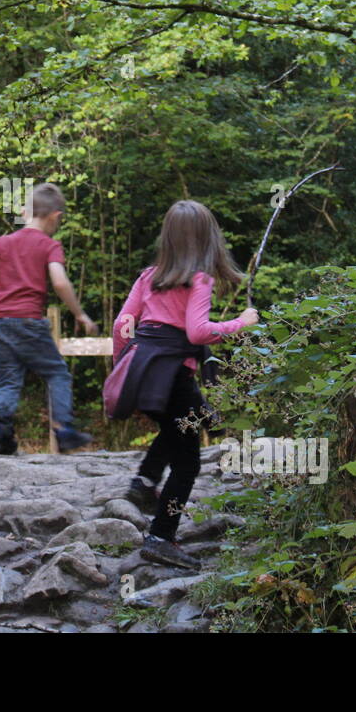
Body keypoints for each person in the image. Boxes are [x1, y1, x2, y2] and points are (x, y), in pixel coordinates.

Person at [112, 200, 258, 569]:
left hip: (143, 372)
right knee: (188, 463)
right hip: (173, 376)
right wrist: (241, 323)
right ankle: (161, 535)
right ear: (208, 240)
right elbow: (198, 331)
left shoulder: (149, 276)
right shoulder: (199, 280)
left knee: (181, 427)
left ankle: (144, 482)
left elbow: (121, 325)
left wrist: (123, 370)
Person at [0, 183, 97, 455]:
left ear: (24, 212)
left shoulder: (3, 242)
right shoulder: (49, 245)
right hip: (29, 320)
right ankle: (64, 429)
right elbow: (60, 282)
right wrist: (79, 313)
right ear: (55, 216)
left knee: (8, 381)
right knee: (56, 373)